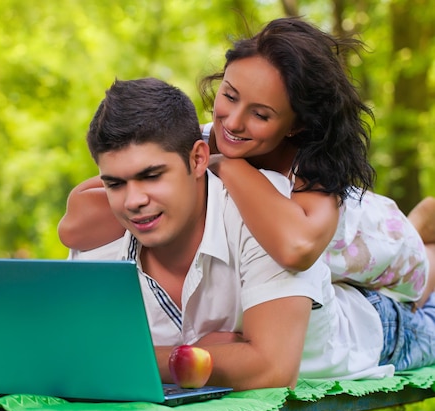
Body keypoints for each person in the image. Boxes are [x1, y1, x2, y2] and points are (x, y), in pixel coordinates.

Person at [68, 75, 435, 392]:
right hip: (318, 264)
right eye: (115, 183)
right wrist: (213, 354)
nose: (133, 200)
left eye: (152, 176)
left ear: (197, 159)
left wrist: (139, 356)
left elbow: (271, 369)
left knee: (419, 282)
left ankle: (422, 238)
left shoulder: (266, 209)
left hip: (374, 326)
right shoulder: (103, 240)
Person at [58, 16, 435, 308]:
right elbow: (75, 227)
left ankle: (421, 229)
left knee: (419, 291)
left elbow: (298, 250)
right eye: (230, 95)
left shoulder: (310, 166)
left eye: (261, 114)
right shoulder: (199, 144)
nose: (233, 122)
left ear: (296, 123)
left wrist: (229, 167)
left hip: (380, 244)